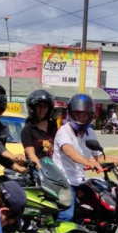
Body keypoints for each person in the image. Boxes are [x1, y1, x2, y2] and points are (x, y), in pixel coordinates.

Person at [52, 93, 104, 222]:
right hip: (64, 180)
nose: (81, 117)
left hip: (80, 180)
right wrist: (88, 162)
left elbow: (99, 156)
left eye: (85, 114)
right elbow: (69, 151)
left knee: (101, 207)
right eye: (78, 114)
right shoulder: (64, 131)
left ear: (91, 115)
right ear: (71, 114)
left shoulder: (90, 132)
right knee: (66, 216)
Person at [21, 89, 57, 167]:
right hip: (36, 171)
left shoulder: (53, 126)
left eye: (45, 106)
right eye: (39, 106)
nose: (42, 109)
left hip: (53, 170)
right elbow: (31, 154)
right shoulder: (28, 129)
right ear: (33, 108)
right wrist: (41, 169)